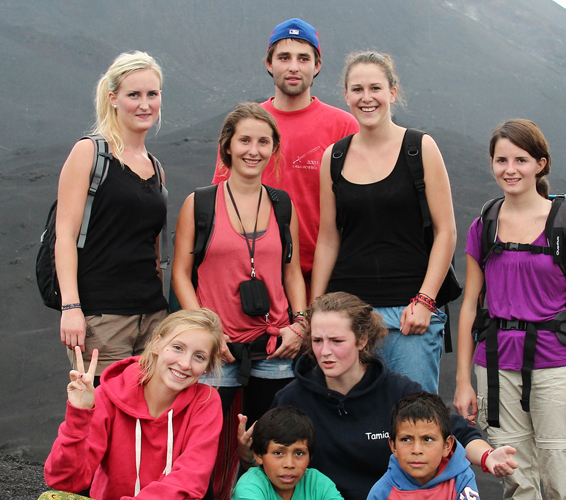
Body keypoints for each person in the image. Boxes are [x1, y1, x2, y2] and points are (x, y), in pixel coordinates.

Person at [239, 292, 517, 500]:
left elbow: (454, 429)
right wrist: (247, 452)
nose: (325, 352)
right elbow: (266, 464)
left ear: (361, 341)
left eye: (336, 341)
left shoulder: (397, 391)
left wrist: (488, 456)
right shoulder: (292, 398)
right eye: (317, 340)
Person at [452, 119, 566, 500]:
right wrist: (463, 381)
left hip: (558, 366)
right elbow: (470, 305)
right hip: (497, 366)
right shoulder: (483, 225)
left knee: (564, 480)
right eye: (501, 160)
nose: (510, 169)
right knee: (517, 480)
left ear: (540, 164)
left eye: (521, 159)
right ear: (492, 164)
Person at [173, 103, 307, 499]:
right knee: (203, 449)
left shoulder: (282, 205)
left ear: (274, 149)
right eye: (244, 140)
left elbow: (292, 271)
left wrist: (300, 323)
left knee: (273, 451)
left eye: (263, 142)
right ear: (226, 147)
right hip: (218, 352)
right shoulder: (199, 204)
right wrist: (206, 332)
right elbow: (182, 272)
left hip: (275, 348)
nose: (254, 150)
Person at [310, 51, 457, 394]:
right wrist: (314, 311)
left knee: (414, 420)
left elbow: (445, 231)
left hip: (410, 315)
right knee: (349, 418)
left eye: (375, 88)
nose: (366, 98)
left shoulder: (420, 148)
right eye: (357, 89)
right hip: (348, 316)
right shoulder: (334, 157)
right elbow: (329, 238)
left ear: (392, 92)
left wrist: (425, 301)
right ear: (346, 95)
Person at [212, 18, 358, 288]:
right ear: (269, 63)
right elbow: (220, 202)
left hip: (326, 278)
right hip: (253, 278)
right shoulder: (246, 125)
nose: (293, 67)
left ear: (317, 66)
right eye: (284, 57)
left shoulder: (344, 126)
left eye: (303, 58)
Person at [55, 51, 169, 378]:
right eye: (134, 95)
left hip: (152, 316)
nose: (144, 104)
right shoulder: (90, 153)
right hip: (102, 319)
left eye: (152, 94)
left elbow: (153, 246)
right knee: (104, 414)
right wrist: (71, 307)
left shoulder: (156, 168)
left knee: (149, 417)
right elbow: (65, 235)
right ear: (113, 99)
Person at [43, 309, 226, 500]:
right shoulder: (108, 395)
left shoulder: (206, 402)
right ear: (157, 345)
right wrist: (78, 417)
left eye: (199, 357)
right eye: (178, 348)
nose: (185, 363)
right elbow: (64, 481)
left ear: (206, 368)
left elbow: (190, 479)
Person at [367, 391, 480, 500]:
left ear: (447, 445)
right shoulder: (382, 492)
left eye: (428, 439)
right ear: (393, 446)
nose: (416, 450)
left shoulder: (461, 480)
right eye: (406, 439)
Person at [231, 406, 343, 500]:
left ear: (310, 456)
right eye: (278, 453)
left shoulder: (317, 483)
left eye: (299, 453)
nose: (289, 464)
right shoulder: (250, 486)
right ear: (258, 455)